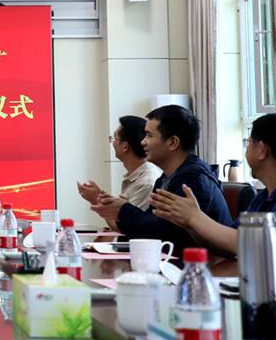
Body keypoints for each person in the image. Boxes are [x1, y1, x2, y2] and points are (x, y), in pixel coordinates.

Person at [91, 105, 232, 256]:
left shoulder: (194, 181)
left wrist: (123, 211)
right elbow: (150, 225)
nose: (143, 142)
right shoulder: (165, 179)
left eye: (149, 136)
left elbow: (166, 233)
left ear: (173, 142)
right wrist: (120, 211)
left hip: (202, 266)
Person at [150, 113, 276, 255]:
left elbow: (255, 244)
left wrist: (194, 217)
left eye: (248, 142)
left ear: (261, 150)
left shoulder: (196, 177)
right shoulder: (263, 197)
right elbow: (228, 242)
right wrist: (189, 223)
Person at [78, 116, 161, 212]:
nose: (112, 143)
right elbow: (120, 218)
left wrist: (97, 198)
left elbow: (128, 221)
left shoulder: (146, 183)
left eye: (114, 138)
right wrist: (99, 198)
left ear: (125, 147)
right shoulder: (136, 176)